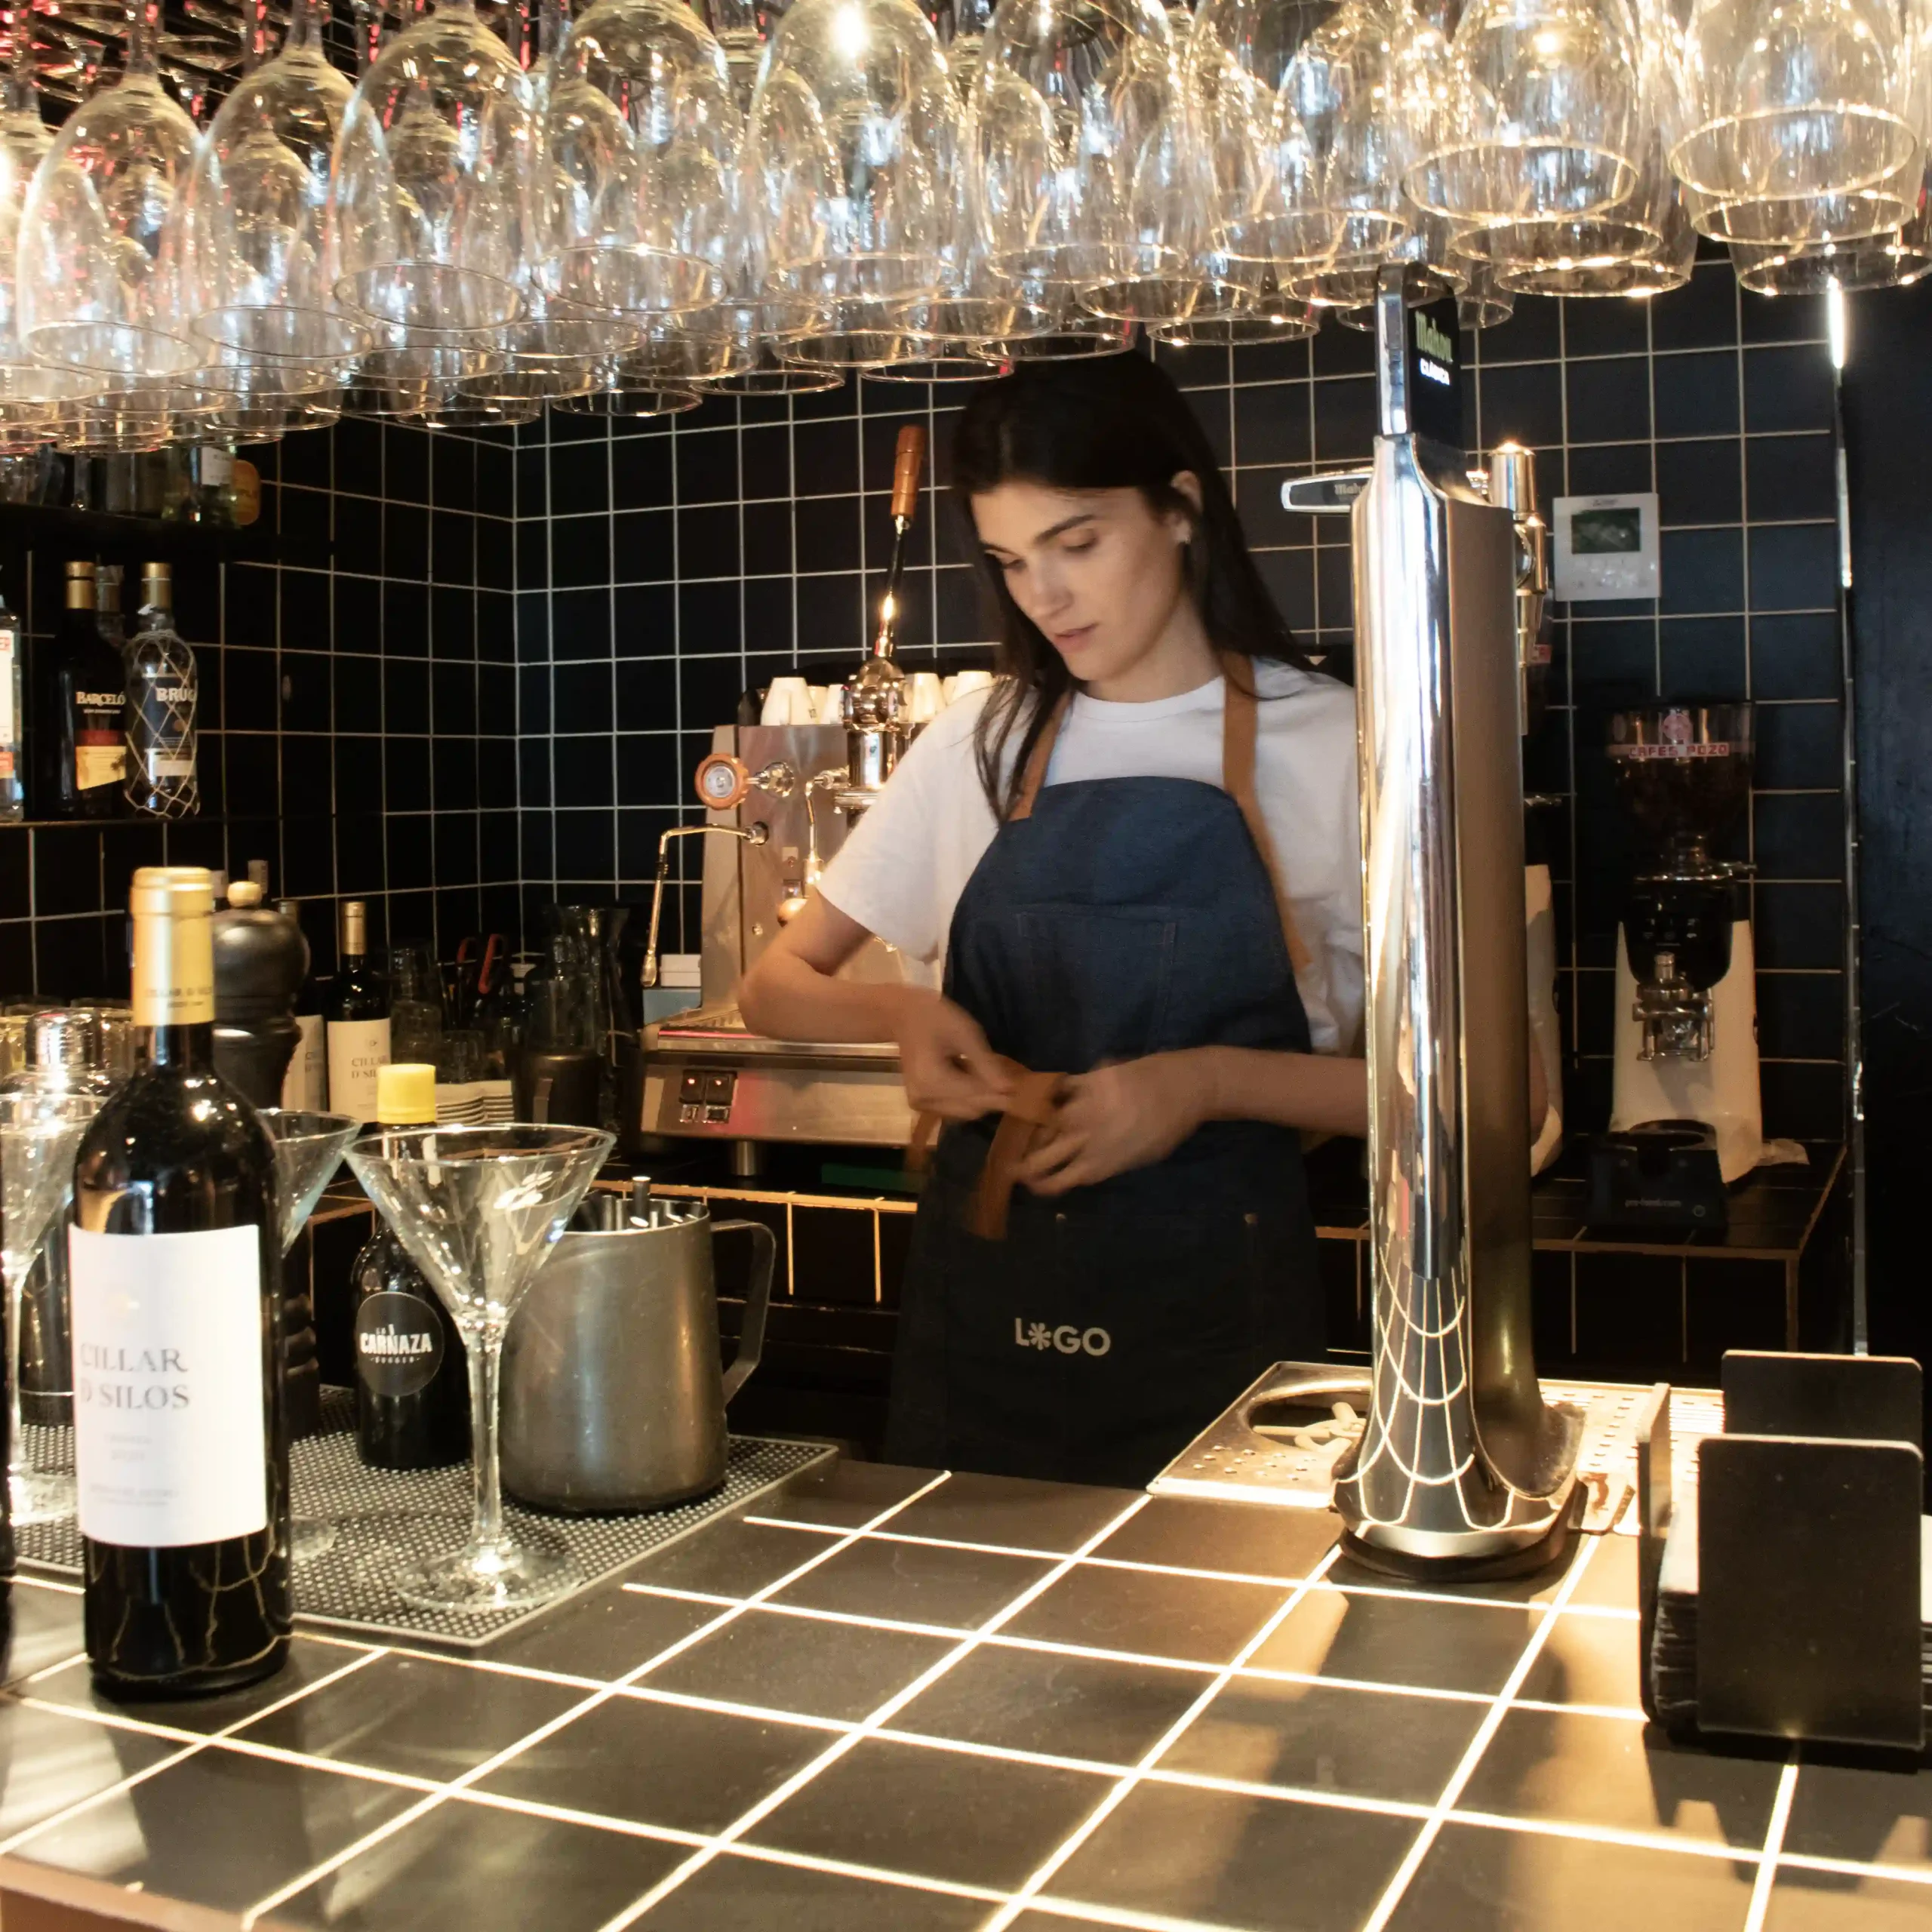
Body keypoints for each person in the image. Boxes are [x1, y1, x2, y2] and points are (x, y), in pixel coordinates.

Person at [738, 352, 1368, 1489]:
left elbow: (1482, 1093)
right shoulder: (986, 739)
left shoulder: (1335, 743)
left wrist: (1203, 1084)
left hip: (1220, 1326)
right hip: (988, 1326)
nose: (1045, 598)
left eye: (1077, 544)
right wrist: (902, 1015)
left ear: (1181, 509)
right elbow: (775, 988)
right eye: (1010, 561)